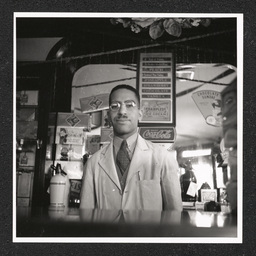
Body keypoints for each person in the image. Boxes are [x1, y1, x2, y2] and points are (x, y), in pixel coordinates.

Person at [80, 84, 182, 211]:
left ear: (140, 114)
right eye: (115, 106)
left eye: (129, 105)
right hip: (107, 232)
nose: (122, 111)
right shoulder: (93, 163)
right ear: (108, 115)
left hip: (148, 232)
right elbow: (86, 214)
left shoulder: (163, 158)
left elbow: (174, 212)